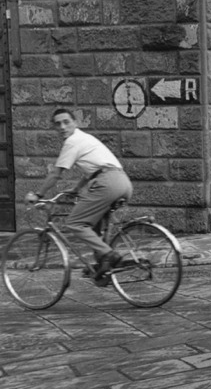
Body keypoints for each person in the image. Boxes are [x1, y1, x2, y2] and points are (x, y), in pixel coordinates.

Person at [25, 109, 133, 286]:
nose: (62, 127)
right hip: (122, 182)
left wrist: (38, 195)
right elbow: (92, 169)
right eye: (58, 124)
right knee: (93, 225)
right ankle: (103, 265)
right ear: (54, 127)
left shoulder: (72, 141)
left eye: (66, 122)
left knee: (75, 223)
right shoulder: (86, 138)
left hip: (107, 183)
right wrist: (77, 188)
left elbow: (56, 174)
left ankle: (110, 255)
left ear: (75, 122)